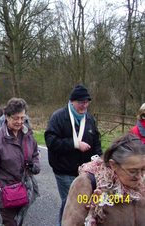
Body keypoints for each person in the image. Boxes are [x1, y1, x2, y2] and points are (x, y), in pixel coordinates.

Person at [45, 84, 102, 225]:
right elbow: (51, 142)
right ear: (71, 101)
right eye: (80, 102)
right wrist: (75, 144)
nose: (84, 106)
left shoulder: (89, 119)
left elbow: (96, 142)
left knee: (84, 204)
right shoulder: (58, 117)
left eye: (86, 102)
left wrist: (100, 161)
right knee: (70, 204)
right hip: (64, 171)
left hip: (85, 173)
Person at [0, 98, 41, 226]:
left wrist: (35, 167)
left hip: (24, 189)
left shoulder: (28, 135)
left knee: (19, 221)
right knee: (11, 222)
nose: (20, 122)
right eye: (16, 118)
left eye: (23, 118)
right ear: (7, 117)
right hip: (5, 192)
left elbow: (35, 154)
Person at [62, 133, 145, 225]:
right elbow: (72, 222)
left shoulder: (142, 185)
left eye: (143, 169)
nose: (140, 176)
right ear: (113, 165)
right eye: (133, 171)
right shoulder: (88, 183)